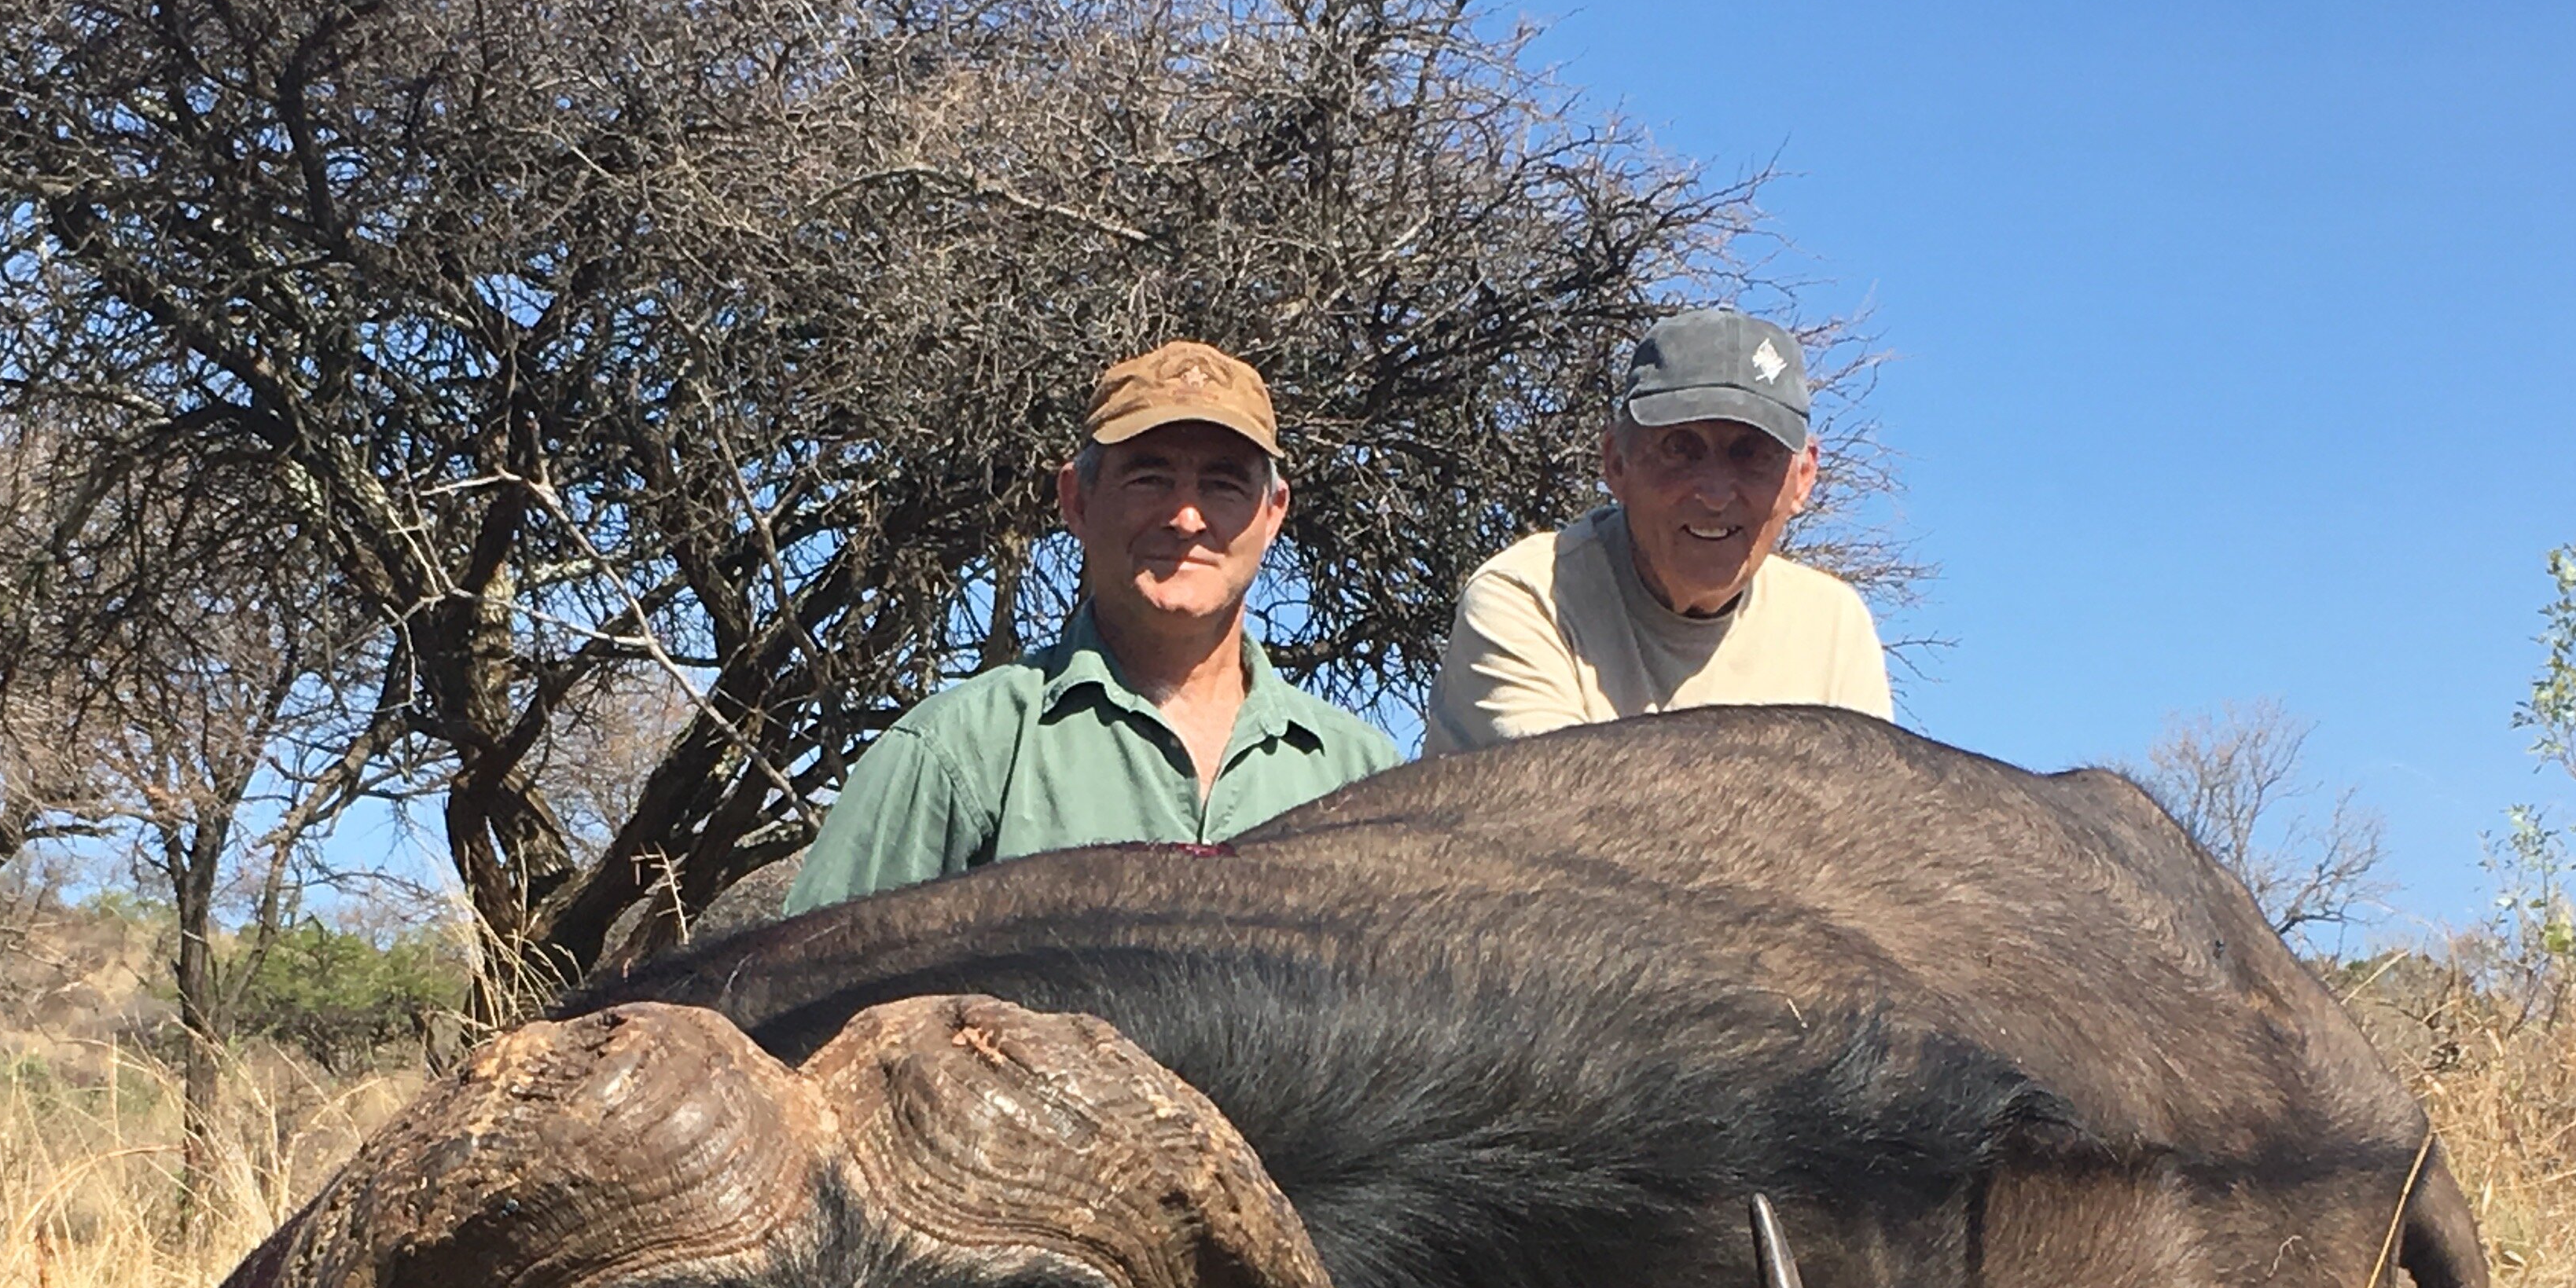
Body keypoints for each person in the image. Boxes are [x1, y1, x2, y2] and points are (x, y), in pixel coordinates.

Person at [785, 341, 1398, 912]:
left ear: (1273, 515)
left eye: (1222, 484)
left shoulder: (1361, 777)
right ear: (1077, 500)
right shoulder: (958, 751)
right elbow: (799, 997)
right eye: (1149, 478)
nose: (1186, 517)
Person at [1423, 309, 1891, 754]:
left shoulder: (1833, 625)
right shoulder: (1529, 597)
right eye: (1680, 448)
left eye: (1752, 453)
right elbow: (1571, 820)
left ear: (1804, 478)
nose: (1715, 494)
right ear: (1616, 463)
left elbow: (1869, 826)